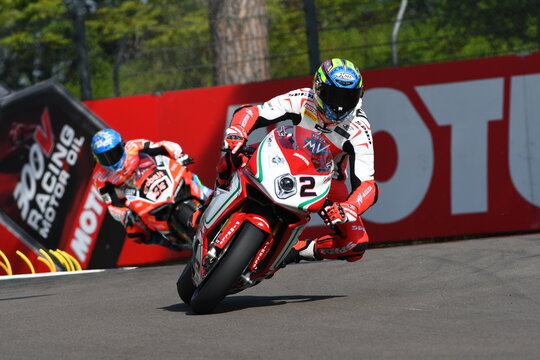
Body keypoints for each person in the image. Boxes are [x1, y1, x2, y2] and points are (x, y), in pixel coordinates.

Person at [218, 58, 379, 263]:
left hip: (325, 182)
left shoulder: (359, 129)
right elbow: (254, 111)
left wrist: (351, 207)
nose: (339, 106)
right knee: (232, 155)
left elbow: (368, 184)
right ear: (318, 89)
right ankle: (212, 199)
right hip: (282, 155)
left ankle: (295, 251)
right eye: (334, 95)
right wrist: (238, 131)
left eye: (348, 97)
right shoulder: (303, 99)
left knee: (355, 244)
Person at [91, 128, 212, 250]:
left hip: (158, 175)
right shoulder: (100, 177)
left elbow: (162, 146)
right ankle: (165, 241)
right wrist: (125, 214)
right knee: (135, 231)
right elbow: (112, 204)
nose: (110, 161)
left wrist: (178, 155)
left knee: (187, 175)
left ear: (122, 145)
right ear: (96, 159)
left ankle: (210, 195)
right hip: (138, 195)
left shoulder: (133, 146)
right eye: (104, 158)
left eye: (113, 153)